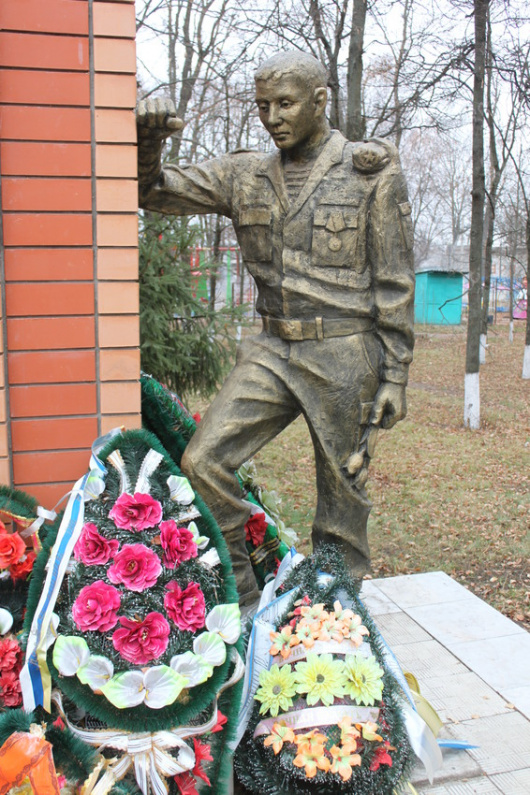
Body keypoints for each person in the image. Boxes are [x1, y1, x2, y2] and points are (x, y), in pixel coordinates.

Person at [137, 51, 415, 607]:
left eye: (285, 104)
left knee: (341, 492)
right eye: (263, 105)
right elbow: (154, 189)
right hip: (270, 348)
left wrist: (396, 374)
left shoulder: (369, 172)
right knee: (202, 460)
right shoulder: (244, 175)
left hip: (343, 351)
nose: (272, 117)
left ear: (319, 101)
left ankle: (338, 612)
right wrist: (147, 141)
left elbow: (395, 280)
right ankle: (241, 594)